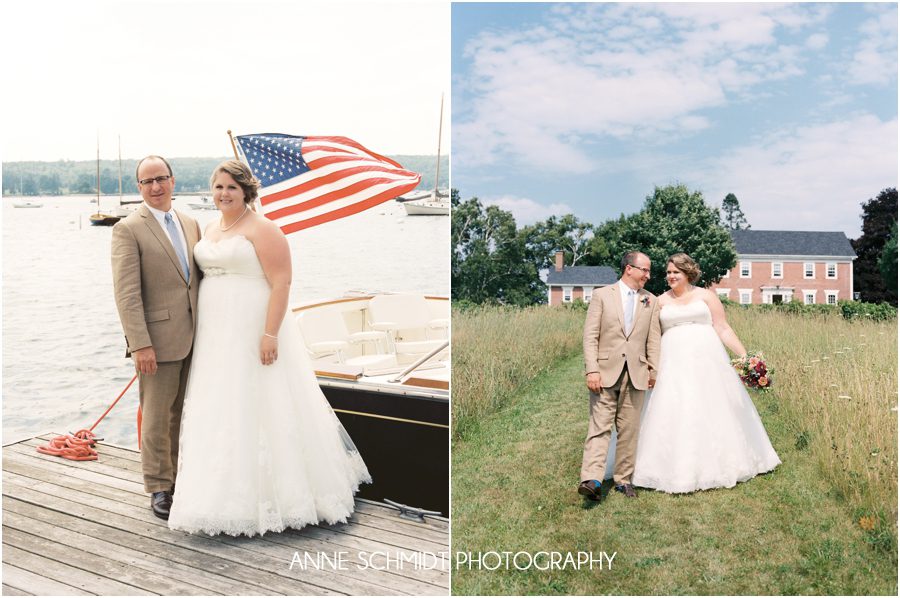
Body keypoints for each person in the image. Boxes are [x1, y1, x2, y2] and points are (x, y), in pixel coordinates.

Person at [167, 160, 370, 536]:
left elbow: (281, 282)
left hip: (253, 326)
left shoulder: (265, 229)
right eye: (218, 187)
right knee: (221, 404)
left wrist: (270, 334)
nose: (223, 194)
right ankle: (215, 493)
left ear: (246, 191)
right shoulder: (210, 227)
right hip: (215, 334)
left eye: (231, 187)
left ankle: (280, 496)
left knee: (261, 400)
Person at [632, 253, 781, 493]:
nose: (670, 276)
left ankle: (723, 461)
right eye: (668, 272)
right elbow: (650, 336)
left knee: (713, 405)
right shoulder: (659, 301)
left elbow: (722, 327)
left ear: (687, 273)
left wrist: (745, 358)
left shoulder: (706, 296)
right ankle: (669, 467)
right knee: (675, 406)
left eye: (675, 273)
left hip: (708, 359)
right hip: (673, 361)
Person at [112, 156, 201, 520]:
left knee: (183, 413)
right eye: (147, 181)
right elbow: (127, 294)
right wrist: (140, 344)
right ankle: (159, 488)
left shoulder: (190, 222)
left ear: (172, 180)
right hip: (156, 341)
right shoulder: (128, 229)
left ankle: (180, 479)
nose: (155, 186)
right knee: (156, 416)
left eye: (160, 178)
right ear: (139, 187)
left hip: (196, 336)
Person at [578, 251, 661, 501]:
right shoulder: (602, 295)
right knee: (599, 426)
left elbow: (653, 339)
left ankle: (623, 480)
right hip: (603, 373)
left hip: (637, 373)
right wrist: (592, 369)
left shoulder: (651, 301)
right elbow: (590, 336)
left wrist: (653, 370)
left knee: (629, 429)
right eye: (644, 270)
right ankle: (591, 479)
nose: (648, 275)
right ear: (629, 269)